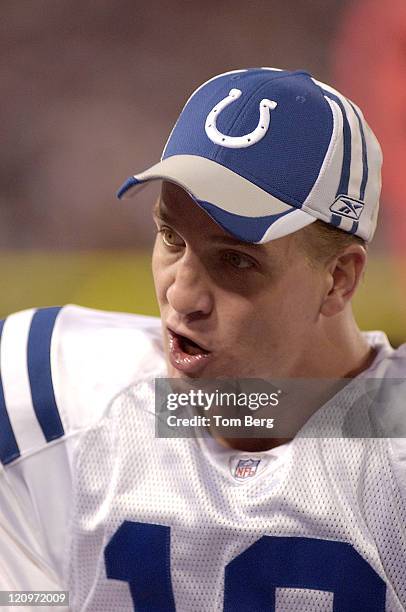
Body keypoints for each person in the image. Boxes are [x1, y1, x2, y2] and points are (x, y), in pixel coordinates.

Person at [0, 68, 405, 611]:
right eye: (171, 237)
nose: (182, 294)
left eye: (236, 259)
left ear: (339, 278)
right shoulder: (52, 398)